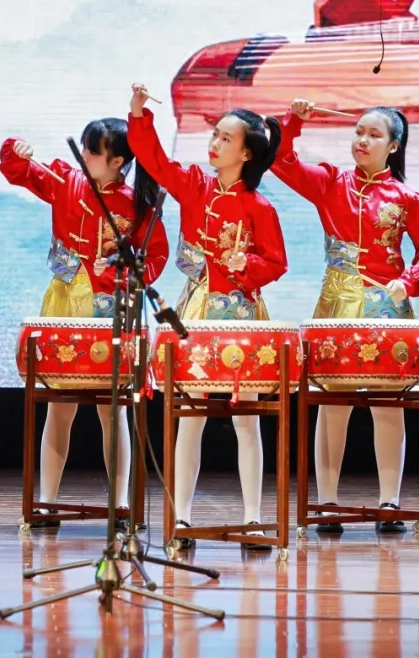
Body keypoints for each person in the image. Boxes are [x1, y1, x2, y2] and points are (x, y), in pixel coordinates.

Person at [127, 83, 288, 550]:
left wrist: (247, 265)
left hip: (242, 315)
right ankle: (181, 517)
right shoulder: (195, 186)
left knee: (247, 419)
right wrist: (139, 116)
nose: (214, 143)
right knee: (190, 416)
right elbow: (155, 160)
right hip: (196, 311)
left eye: (224, 138)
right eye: (214, 134)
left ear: (246, 153)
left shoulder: (260, 207)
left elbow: (276, 263)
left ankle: (253, 518)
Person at [273, 100, 419, 533]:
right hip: (337, 307)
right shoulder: (331, 183)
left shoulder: (406, 197)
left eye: (374, 135)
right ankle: (327, 503)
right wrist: (294, 121)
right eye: (359, 132)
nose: (362, 140)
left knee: (389, 406)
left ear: (393, 146)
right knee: (333, 405)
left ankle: (390, 502)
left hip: (387, 309)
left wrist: (410, 280)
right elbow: (282, 162)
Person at [0, 118, 169, 530]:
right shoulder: (66, 181)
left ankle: (121, 504)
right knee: (59, 407)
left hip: (111, 312)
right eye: (86, 148)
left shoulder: (137, 204)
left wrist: (119, 272)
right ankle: (47, 502)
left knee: (114, 411)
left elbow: (155, 259)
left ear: (118, 161)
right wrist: (15, 149)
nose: (85, 156)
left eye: (93, 151)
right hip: (64, 307)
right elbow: (18, 172)